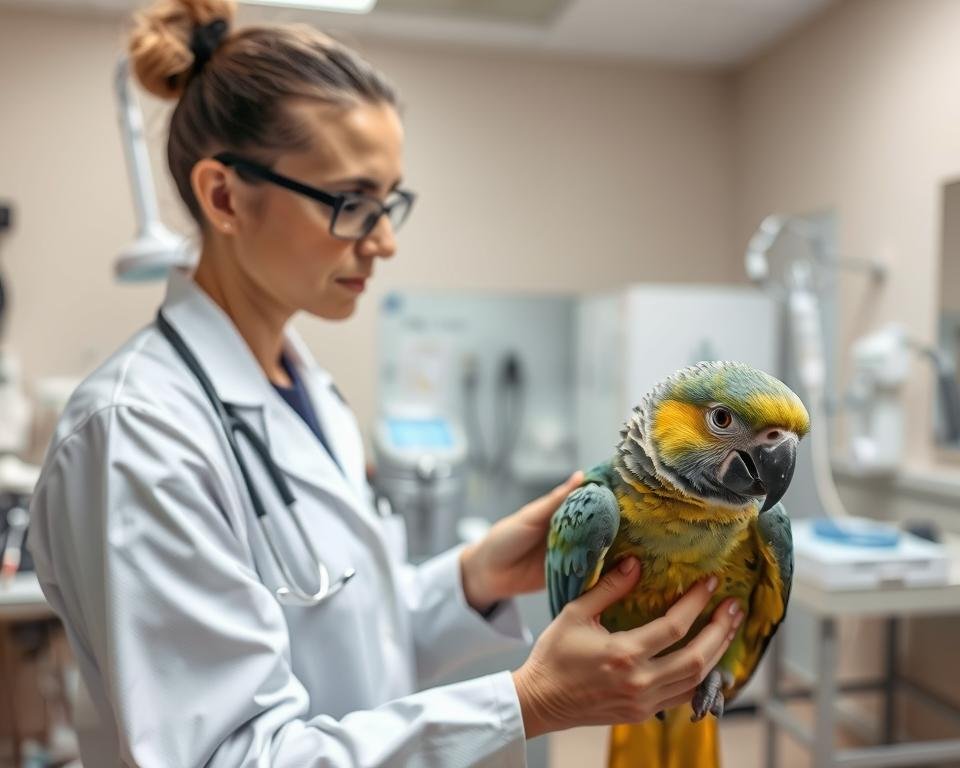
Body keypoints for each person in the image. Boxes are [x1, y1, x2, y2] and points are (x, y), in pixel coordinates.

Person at [27, 1, 743, 765]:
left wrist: (472, 578)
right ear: (225, 197)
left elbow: (350, 629)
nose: (386, 241)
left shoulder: (308, 392)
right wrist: (528, 700)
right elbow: (224, 757)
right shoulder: (137, 435)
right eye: (352, 203)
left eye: (390, 201)